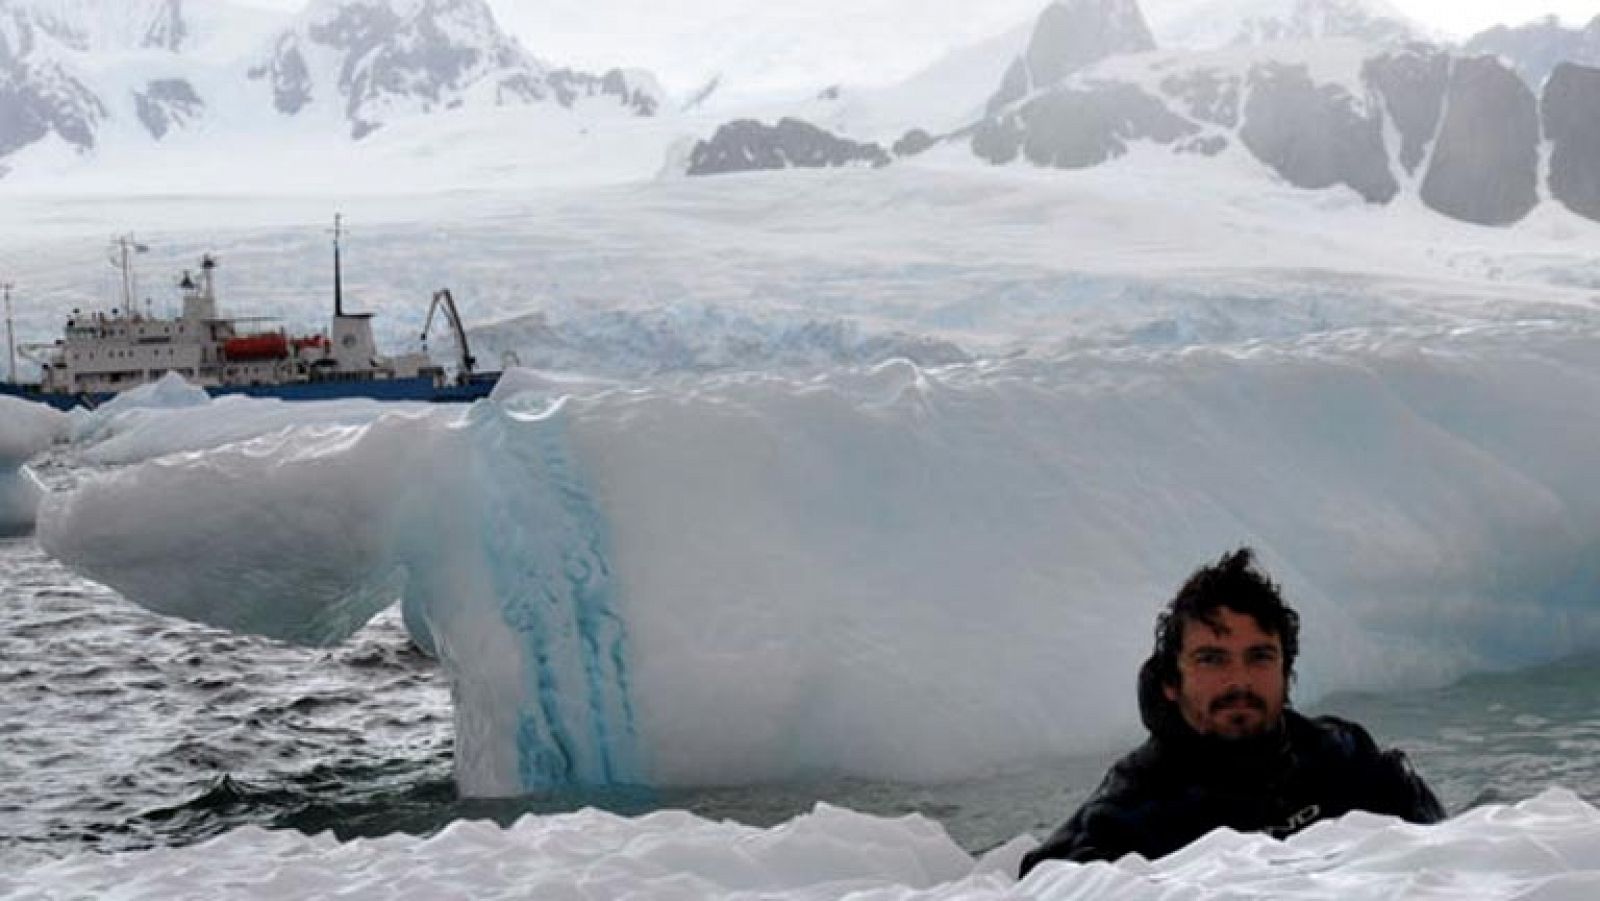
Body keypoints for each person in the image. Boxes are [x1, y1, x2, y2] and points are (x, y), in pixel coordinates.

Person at [1019, 548, 1444, 876]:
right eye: (1212, 659)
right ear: (1171, 682)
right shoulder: (1130, 813)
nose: (1239, 682)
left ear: (1286, 673)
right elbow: (1049, 882)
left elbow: (1453, 859)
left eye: (1259, 657)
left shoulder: (1346, 760)